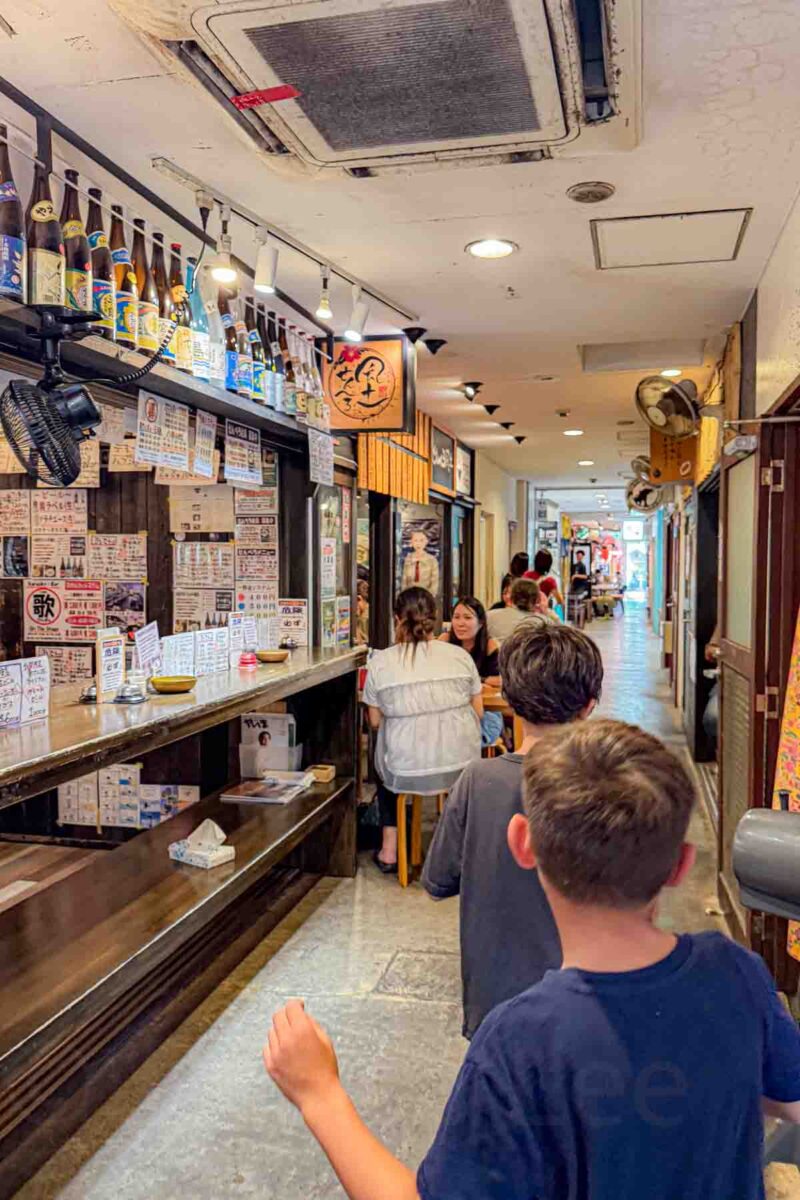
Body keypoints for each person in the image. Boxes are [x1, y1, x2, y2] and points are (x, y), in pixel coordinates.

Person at [263, 719, 800, 1200]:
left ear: (522, 843)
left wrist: (319, 1093)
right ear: (682, 865)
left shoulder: (518, 1041)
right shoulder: (737, 975)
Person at [424, 621, 602, 1037]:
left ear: (509, 699)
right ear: (589, 705)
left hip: (494, 1005)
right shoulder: (606, 785)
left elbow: (438, 879)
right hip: (583, 1005)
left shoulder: (478, 780)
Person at [362, 587, 482, 873]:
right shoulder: (459, 657)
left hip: (404, 770)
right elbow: (478, 712)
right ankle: (455, 847)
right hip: (461, 765)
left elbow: (375, 722)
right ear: (436, 618)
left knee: (383, 756)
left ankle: (390, 849)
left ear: (395, 618)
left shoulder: (381, 662)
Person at [439, 596, 502, 746]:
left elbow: (499, 681)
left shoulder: (490, 644)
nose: (461, 623)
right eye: (456, 617)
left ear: (480, 623)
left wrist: (477, 680)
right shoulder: (444, 641)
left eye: (467, 617)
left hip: (485, 710)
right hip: (450, 708)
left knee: (474, 735)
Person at [487, 577, 552, 646]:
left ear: (512, 596)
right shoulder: (544, 622)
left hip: (499, 656)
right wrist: (546, 612)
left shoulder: (489, 616)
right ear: (537, 600)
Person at [401, 529, 439, 594]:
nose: (418, 543)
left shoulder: (432, 560)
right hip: (409, 597)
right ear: (412, 542)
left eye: (421, 540)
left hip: (426, 596)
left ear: (426, 541)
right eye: (415, 540)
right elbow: (404, 581)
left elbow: (434, 584)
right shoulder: (408, 559)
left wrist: (429, 597)